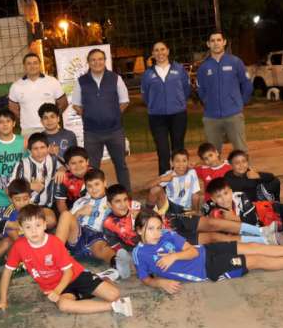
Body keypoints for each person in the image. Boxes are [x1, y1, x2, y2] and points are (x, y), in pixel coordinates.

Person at [131, 212, 283, 294]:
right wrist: (160, 283)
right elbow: (144, 278)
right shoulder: (140, 254)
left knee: (253, 246)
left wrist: (174, 256)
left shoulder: (167, 235)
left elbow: (191, 251)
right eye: (151, 229)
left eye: (158, 228)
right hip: (208, 269)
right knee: (256, 260)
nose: (157, 233)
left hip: (207, 251)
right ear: (139, 230)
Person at [0, 205, 133, 316]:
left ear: (45, 225)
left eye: (38, 225)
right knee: (63, 305)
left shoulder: (54, 243)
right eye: (28, 227)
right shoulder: (19, 246)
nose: (34, 231)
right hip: (59, 287)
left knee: (114, 294)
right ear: (21, 229)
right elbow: (7, 273)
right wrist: (2, 301)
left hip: (75, 275)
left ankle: (100, 279)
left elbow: (68, 273)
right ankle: (115, 306)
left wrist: (56, 292)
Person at [71, 48, 131, 190]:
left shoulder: (116, 78)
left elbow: (124, 102)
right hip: (92, 133)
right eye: (93, 60)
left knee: (121, 164)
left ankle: (126, 195)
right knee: (92, 168)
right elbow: (76, 105)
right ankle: (94, 195)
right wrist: (90, 115)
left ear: (105, 61)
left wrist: (112, 114)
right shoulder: (81, 81)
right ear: (88, 62)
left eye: (100, 59)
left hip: (115, 131)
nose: (97, 62)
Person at [55, 170, 132, 277]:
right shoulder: (81, 201)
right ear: (85, 186)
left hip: (97, 237)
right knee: (65, 214)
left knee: (101, 247)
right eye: (89, 186)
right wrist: (78, 213)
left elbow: (124, 213)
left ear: (104, 183)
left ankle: (116, 262)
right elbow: (67, 223)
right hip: (77, 236)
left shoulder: (112, 200)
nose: (93, 189)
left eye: (97, 184)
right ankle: (55, 254)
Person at [140, 41, 192, 174]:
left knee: (178, 148)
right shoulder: (147, 74)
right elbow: (145, 96)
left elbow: (186, 90)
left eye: (162, 49)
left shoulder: (179, 69)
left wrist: (178, 103)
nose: (160, 53)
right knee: (162, 150)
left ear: (168, 51)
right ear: (152, 54)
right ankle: (165, 180)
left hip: (178, 115)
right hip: (157, 117)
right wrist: (156, 105)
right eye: (156, 50)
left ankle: (180, 177)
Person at [196, 31, 252, 153]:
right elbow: (200, 90)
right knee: (212, 154)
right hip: (211, 117)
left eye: (219, 40)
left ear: (224, 42)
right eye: (212, 41)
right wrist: (208, 102)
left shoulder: (235, 62)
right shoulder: (203, 67)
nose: (216, 43)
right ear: (208, 44)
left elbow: (247, 84)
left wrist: (240, 103)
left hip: (233, 114)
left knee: (241, 151)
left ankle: (243, 167)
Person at [204, 178, 283, 235]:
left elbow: (252, 220)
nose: (224, 198)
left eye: (225, 193)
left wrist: (232, 218)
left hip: (269, 209)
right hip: (265, 225)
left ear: (231, 191)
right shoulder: (211, 208)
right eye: (218, 196)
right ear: (213, 199)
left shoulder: (240, 196)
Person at [8, 53, 68, 136]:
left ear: (40, 64)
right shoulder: (16, 86)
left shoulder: (52, 81)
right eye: (29, 63)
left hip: (51, 128)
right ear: (24, 66)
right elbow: (13, 109)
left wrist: (52, 118)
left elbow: (63, 103)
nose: (32, 66)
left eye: (35, 63)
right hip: (28, 130)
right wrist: (24, 120)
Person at [0, 109, 27, 209]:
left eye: (8, 121)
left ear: (14, 123)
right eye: (1, 122)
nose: (5, 124)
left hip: (20, 193)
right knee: (4, 217)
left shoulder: (23, 142)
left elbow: (28, 167)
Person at [11, 133, 59, 208]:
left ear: (48, 148)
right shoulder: (22, 164)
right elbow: (11, 187)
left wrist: (61, 170)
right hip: (27, 206)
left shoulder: (53, 159)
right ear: (29, 151)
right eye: (35, 148)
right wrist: (29, 186)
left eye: (42, 147)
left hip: (49, 205)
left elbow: (66, 166)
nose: (39, 151)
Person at [54, 146, 92, 214]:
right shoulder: (62, 178)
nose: (78, 165)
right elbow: (60, 204)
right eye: (73, 163)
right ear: (67, 166)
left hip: (91, 208)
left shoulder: (94, 173)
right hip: (70, 211)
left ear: (87, 162)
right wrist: (70, 218)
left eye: (81, 161)